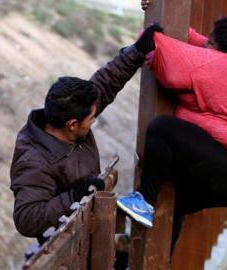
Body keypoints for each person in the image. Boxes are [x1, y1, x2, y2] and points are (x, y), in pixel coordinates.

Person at [118, 3, 227, 247]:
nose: (206, 45)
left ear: (222, 50)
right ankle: (148, 261)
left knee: (163, 128)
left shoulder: (220, 67)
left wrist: (151, 28)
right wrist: (155, 9)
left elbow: (158, 49)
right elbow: (194, 41)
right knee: (173, 204)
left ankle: (142, 201)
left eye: (211, 44)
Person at [10, 24, 164, 244]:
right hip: (69, 250)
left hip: (93, 234)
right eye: (91, 118)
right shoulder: (34, 160)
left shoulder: (69, 117)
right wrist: (74, 196)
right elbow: (26, 219)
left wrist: (138, 51)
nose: (94, 119)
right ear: (72, 124)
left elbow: (105, 83)